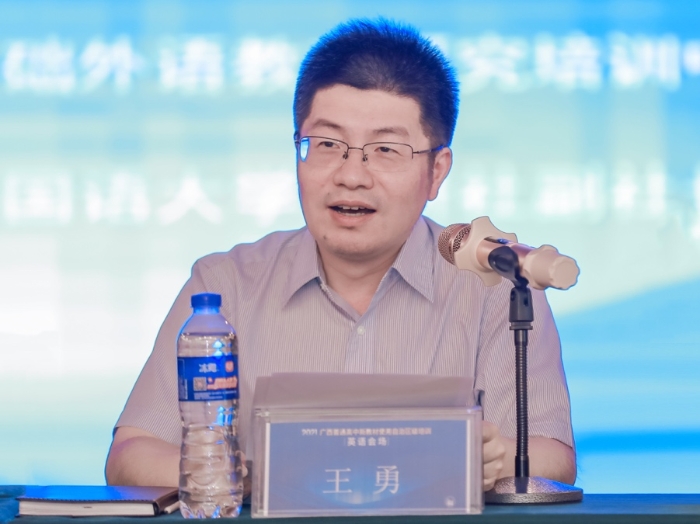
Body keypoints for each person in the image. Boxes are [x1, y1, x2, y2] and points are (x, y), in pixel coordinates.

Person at [106, 18, 576, 493]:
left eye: (386, 149)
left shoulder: (495, 286)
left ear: (437, 171)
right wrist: (258, 477)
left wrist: (492, 460)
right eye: (327, 144)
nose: (351, 175)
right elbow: (132, 454)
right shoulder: (224, 286)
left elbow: (552, 455)